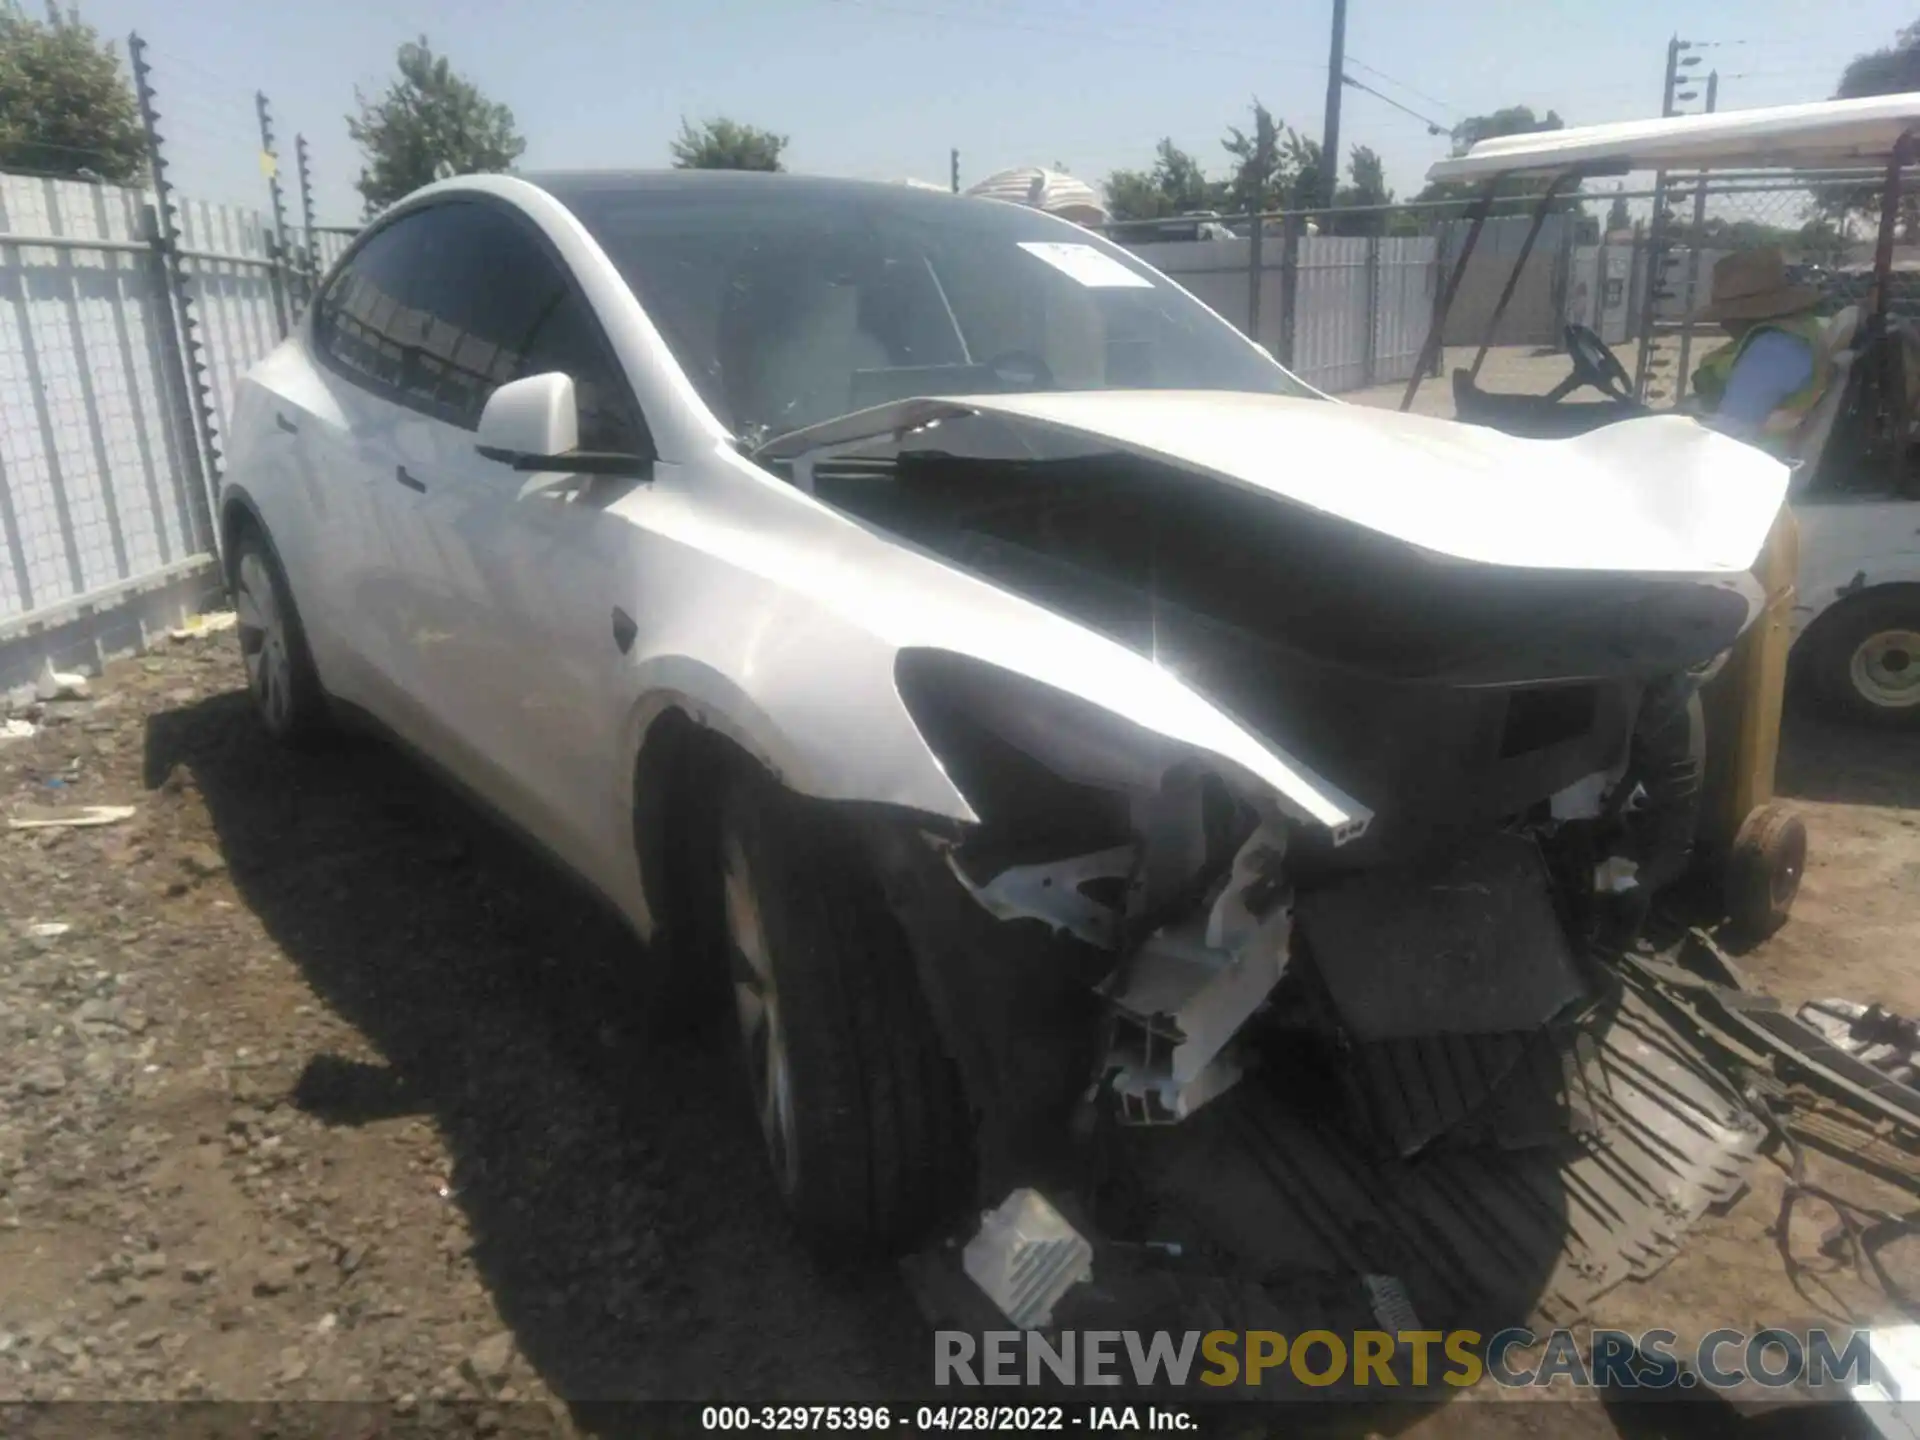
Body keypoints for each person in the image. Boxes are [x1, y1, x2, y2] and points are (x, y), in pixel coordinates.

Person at [1688, 246, 1829, 449]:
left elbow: (1728, 433)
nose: (1722, 323)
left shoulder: (1772, 350)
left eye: (1725, 315)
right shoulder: (1801, 330)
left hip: (1753, 460)